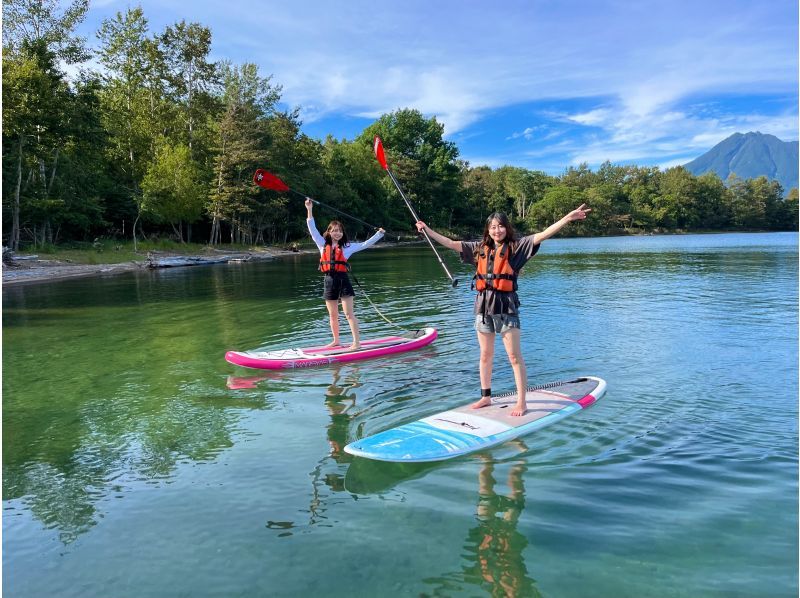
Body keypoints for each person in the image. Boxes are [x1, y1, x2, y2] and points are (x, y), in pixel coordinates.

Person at [416, 204, 591, 416]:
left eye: (500, 226)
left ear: (506, 228)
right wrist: (427, 230)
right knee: (485, 355)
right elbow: (451, 243)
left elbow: (543, 234)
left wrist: (567, 219)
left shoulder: (517, 247)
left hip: (506, 306)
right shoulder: (479, 248)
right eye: (492, 227)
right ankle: (485, 396)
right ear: (488, 230)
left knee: (514, 356)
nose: (496, 230)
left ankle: (521, 402)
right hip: (483, 306)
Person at [306, 198, 385, 350]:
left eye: (340, 231)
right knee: (333, 315)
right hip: (329, 281)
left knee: (349, 314)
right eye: (334, 230)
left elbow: (365, 244)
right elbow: (312, 228)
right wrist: (309, 209)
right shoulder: (322, 244)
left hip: (343, 281)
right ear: (329, 232)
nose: (337, 233)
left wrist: (379, 234)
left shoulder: (348, 247)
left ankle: (357, 343)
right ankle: (336, 341)